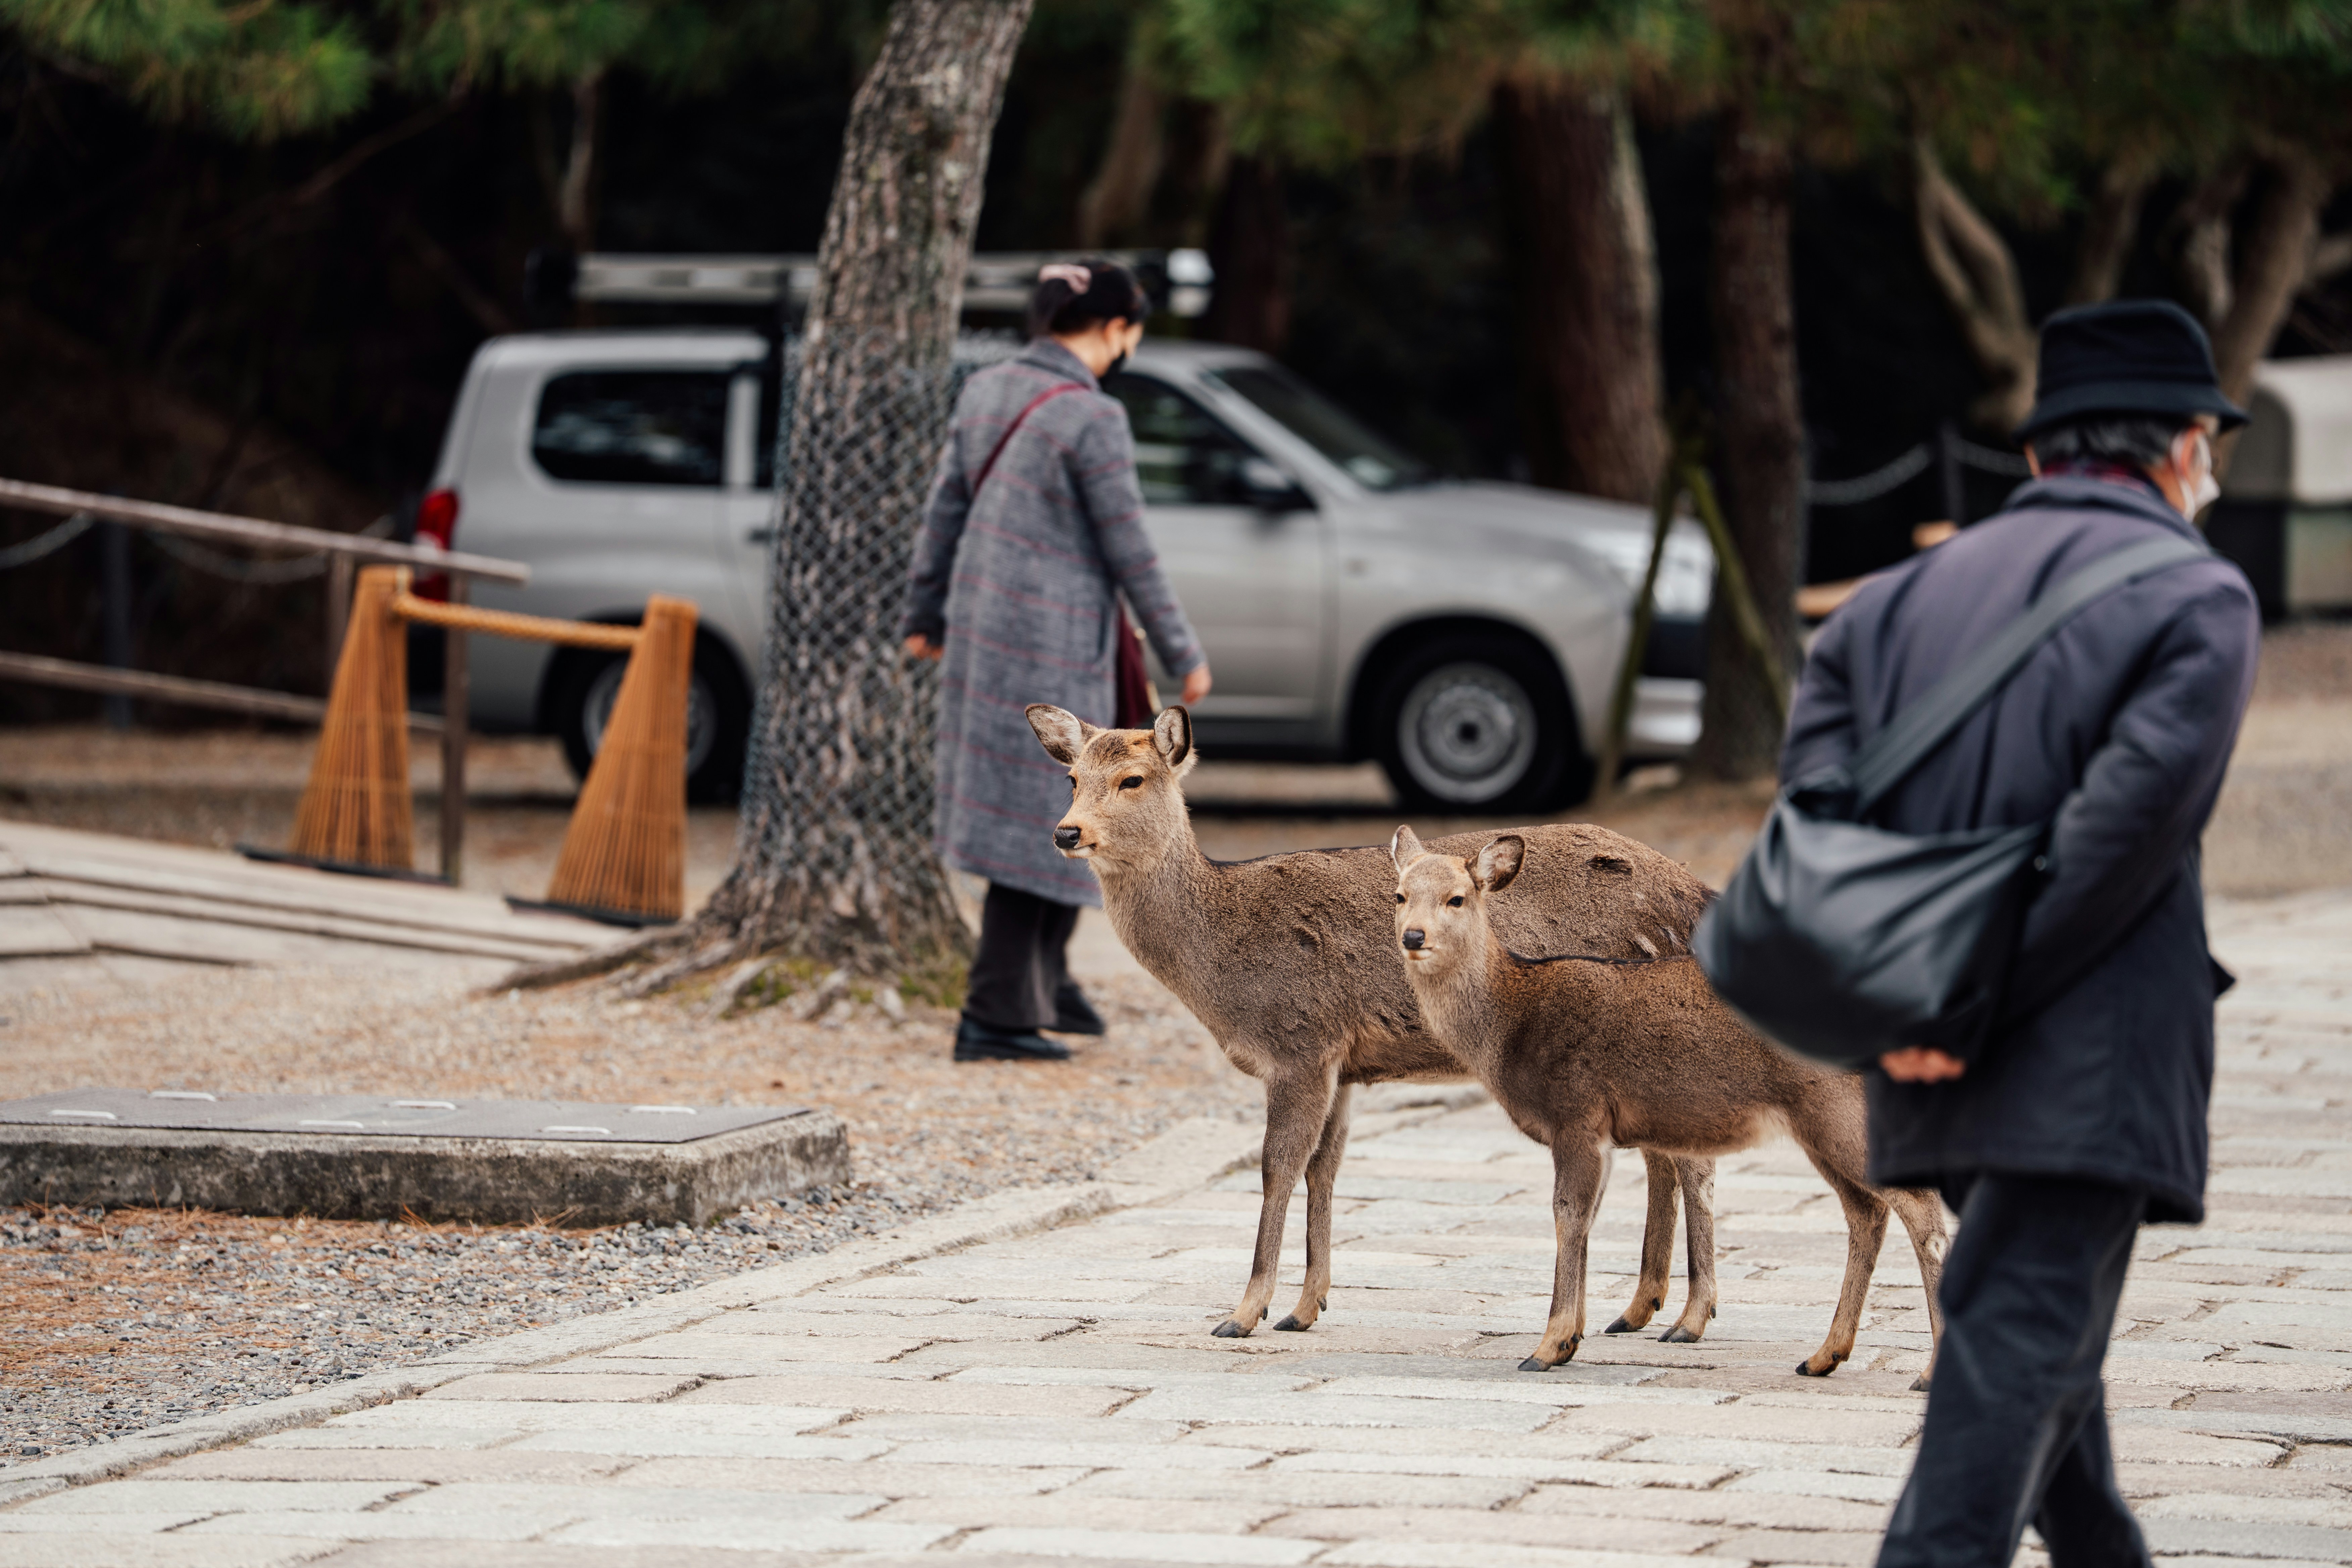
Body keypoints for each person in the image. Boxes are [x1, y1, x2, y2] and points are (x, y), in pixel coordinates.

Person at [1780, 299, 2261, 1568]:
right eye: (2206, 442)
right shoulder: (2194, 598)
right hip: (2084, 1053)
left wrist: (1904, 1005)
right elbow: (2116, 841)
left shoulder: (1887, 603)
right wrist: (1958, 1005)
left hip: (1926, 1057)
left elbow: (1816, 824)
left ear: (2043, 456)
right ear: (2176, 451)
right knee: (2011, 1350)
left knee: (2027, 1332)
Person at [901, 260, 1211, 1064]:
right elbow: (1130, 548)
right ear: (1114, 328)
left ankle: (1047, 986)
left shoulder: (986, 389)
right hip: (1057, 636)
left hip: (981, 628)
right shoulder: (1092, 415)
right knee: (1068, 811)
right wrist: (1182, 652)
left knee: (1059, 807)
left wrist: (924, 613)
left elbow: (945, 510)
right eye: (1132, 334)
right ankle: (996, 1012)